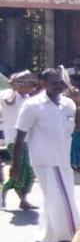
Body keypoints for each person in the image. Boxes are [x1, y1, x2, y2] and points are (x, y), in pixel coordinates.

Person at [13, 69, 80, 242]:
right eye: (54, 82)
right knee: (63, 203)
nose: (59, 86)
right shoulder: (33, 105)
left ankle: (44, 241)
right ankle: (65, 240)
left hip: (63, 161)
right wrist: (15, 166)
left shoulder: (68, 104)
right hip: (45, 161)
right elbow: (20, 136)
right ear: (43, 84)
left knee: (54, 202)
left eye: (60, 82)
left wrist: (79, 105)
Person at [1, 70, 37, 210]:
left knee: (29, 172)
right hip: (14, 139)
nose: (32, 88)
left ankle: (23, 199)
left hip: (28, 138)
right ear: (22, 85)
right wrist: (14, 89)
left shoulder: (26, 97)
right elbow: (7, 102)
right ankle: (4, 189)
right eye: (30, 85)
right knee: (20, 170)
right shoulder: (7, 96)